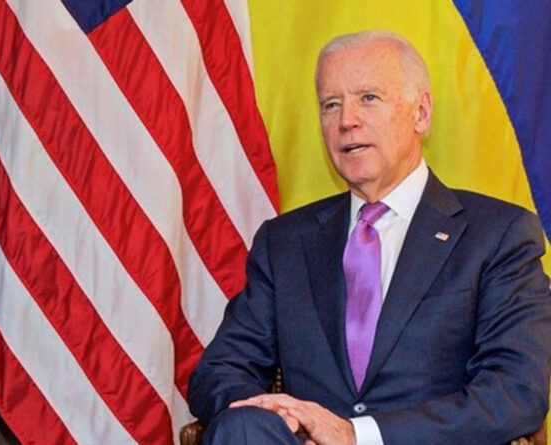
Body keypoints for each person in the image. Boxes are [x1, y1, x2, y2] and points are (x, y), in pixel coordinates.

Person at [187, 30, 551, 444]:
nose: (347, 121)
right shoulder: (284, 242)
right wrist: (282, 417)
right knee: (241, 425)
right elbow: (219, 372)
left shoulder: (498, 235)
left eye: (369, 98)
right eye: (331, 104)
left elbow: (515, 392)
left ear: (420, 113)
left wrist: (357, 434)